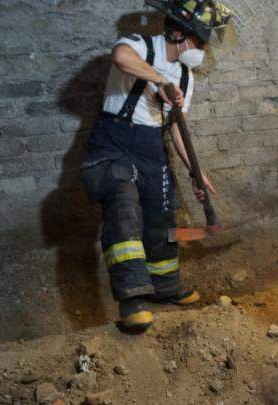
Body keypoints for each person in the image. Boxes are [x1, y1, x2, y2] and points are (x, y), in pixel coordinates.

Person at [80, 0, 236, 330]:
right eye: (200, 40)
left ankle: (165, 286)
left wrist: (195, 170)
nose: (203, 49)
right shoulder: (140, 45)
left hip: (152, 147)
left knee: (160, 217)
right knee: (124, 212)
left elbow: (177, 126)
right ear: (178, 32)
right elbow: (120, 58)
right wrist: (159, 81)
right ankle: (132, 300)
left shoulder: (186, 76)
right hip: (115, 142)